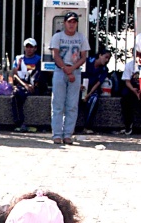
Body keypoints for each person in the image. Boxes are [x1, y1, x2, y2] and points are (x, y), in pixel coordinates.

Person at [50, 12, 90, 145]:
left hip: (75, 71)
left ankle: (68, 134)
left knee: (72, 105)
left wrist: (72, 70)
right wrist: (65, 69)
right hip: (60, 70)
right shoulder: (58, 37)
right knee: (57, 104)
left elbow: (83, 56)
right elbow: (55, 55)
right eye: (69, 22)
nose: (72, 24)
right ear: (65, 23)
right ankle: (56, 134)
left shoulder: (81, 38)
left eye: (74, 22)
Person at [10, 37, 44, 132]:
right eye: (27, 47)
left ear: (35, 48)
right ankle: (19, 123)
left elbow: (42, 74)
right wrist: (25, 85)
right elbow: (14, 75)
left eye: (31, 47)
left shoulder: (39, 59)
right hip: (23, 85)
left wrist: (34, 85)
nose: (29, 49)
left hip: (36, 85)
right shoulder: (18, 59)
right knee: (15, 95)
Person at [82, 48, 111, 133]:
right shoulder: (88, 61)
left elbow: (98, 83)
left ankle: (87, 126)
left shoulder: (104, 69)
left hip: (91, 89)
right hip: (80, 86)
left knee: (94, 99)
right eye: (106, 57)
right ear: (100, 55)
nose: (107, 60)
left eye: (108, 58)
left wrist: (88, 94)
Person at [119, 42, 141, 135]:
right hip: (132, 88)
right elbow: (127, 81)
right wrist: (133, 90)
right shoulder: (129, 65)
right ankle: (128, 125)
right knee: (125, 99)